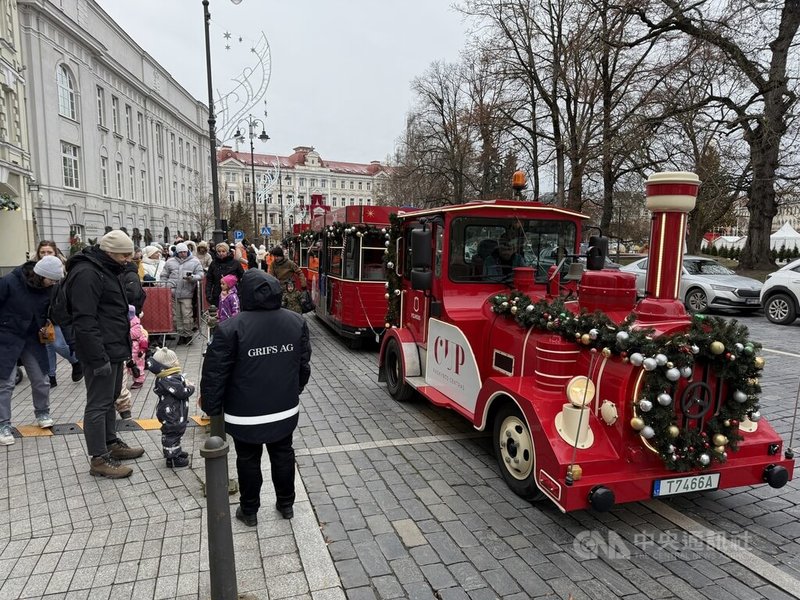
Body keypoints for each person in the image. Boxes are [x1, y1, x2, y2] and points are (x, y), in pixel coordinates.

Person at [201, 270, 311, 525]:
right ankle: (286, 505)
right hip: (283, 407)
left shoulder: (230, 327)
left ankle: (249, 511)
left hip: (244, 412)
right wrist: (294, 390)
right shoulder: (296, 322)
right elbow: (303, 364)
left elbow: (215, 373)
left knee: (247, 459)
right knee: (283, 453)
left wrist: (212, 407)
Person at [66, 230, 144, 478]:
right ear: (109, 252)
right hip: (99, 350)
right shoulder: (88, 273)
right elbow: (84, 319)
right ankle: (99, 458)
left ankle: (110, 443)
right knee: (98, 403)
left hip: (113, 346)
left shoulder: (107, 268)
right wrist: (98, 358)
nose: (127, 260)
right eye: (124, 255)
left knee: (110, 398)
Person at [0, 256, 64, 445]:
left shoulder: (50, 287)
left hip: (33, 338)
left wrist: (47, 322)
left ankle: (43, 413)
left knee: (41, 379)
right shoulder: (9, 282)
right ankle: (3, 425)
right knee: (5, 383)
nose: (54, 284)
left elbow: (52, 310)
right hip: (7, 337)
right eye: (52, 280)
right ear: (41, 275)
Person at [37, 240, 82, 386]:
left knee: (58, 344)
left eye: (49, 252)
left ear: (55, 253)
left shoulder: (62, 270)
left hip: (58, 315)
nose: (45, 255)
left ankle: (76, 361)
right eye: (42, 252)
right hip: (42, 316)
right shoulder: (36, 270)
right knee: (47, 345)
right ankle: (51, 375)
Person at [147, 347, 193, 469]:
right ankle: (172, 458)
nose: (178, 361)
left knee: (176, 432)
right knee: (173, 432)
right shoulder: (169, 380)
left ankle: (176, 451)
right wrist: (190, 387)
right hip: (172, 412)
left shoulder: (167, 377)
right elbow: (182, 392)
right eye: (175, 360)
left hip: (173, 411)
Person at [160, 242, 203, 345]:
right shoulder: (170, 262)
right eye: (180, 252)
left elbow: (201, 274)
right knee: (176, 316)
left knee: (187, 314)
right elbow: (164, 275)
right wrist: (165, 286)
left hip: (187, 292)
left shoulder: (195, 261)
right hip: (173, 292)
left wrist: (192, 278)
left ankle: (188, 335)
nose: (183, 254)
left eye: (184, 252)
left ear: (187, 251)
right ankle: (180, 335)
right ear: (177, 253)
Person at [114, 305, 149, 419]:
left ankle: (139, 379)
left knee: (138, 366)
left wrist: (142, 349)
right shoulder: (125, 323)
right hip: (127, 349)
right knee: (126, 368)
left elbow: (142, 338)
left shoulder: (136, 325)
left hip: (135, 349)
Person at [268, 245, 307, 313]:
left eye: (277, 256)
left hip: (290, 288)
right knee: (281, 308)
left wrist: (303, 284)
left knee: (291, 308)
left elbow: (300, 272)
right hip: (279, 288)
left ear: (281, 256)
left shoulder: (289, 263)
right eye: (274, 256)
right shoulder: (273, 264)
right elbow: (270, 277)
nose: (276, 258)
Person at [206, 242, 244, 308]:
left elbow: (242, 278)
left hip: (232, 294)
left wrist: (240, 292)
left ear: (227, 251)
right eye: (219, 251)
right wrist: (208, 294)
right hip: (217, 294)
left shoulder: (235, 263)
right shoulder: (213, 263)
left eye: (223, 251)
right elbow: (209, 280)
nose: (221, 253)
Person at [120, 251, 147, 317]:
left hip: (130, 310)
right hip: (127, 309)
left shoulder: (130, 274)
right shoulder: (126, 272)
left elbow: (133, 293)